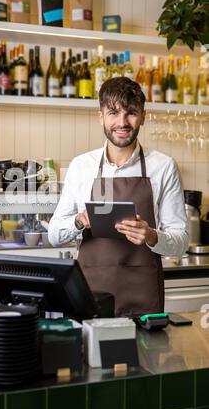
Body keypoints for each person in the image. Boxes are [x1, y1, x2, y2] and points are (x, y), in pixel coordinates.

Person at [48, 77, 188, 317]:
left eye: (131, 113)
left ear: (143, 116)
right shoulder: (81, 166)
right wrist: (79, 221)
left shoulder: (163, 167)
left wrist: (152, 235)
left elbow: (181, 241)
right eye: (113, 113)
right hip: (90, 294)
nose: (122, 122)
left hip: (143, 298)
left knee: (144, 356)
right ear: (100, 116)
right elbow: (54, 235)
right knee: (89, 356)